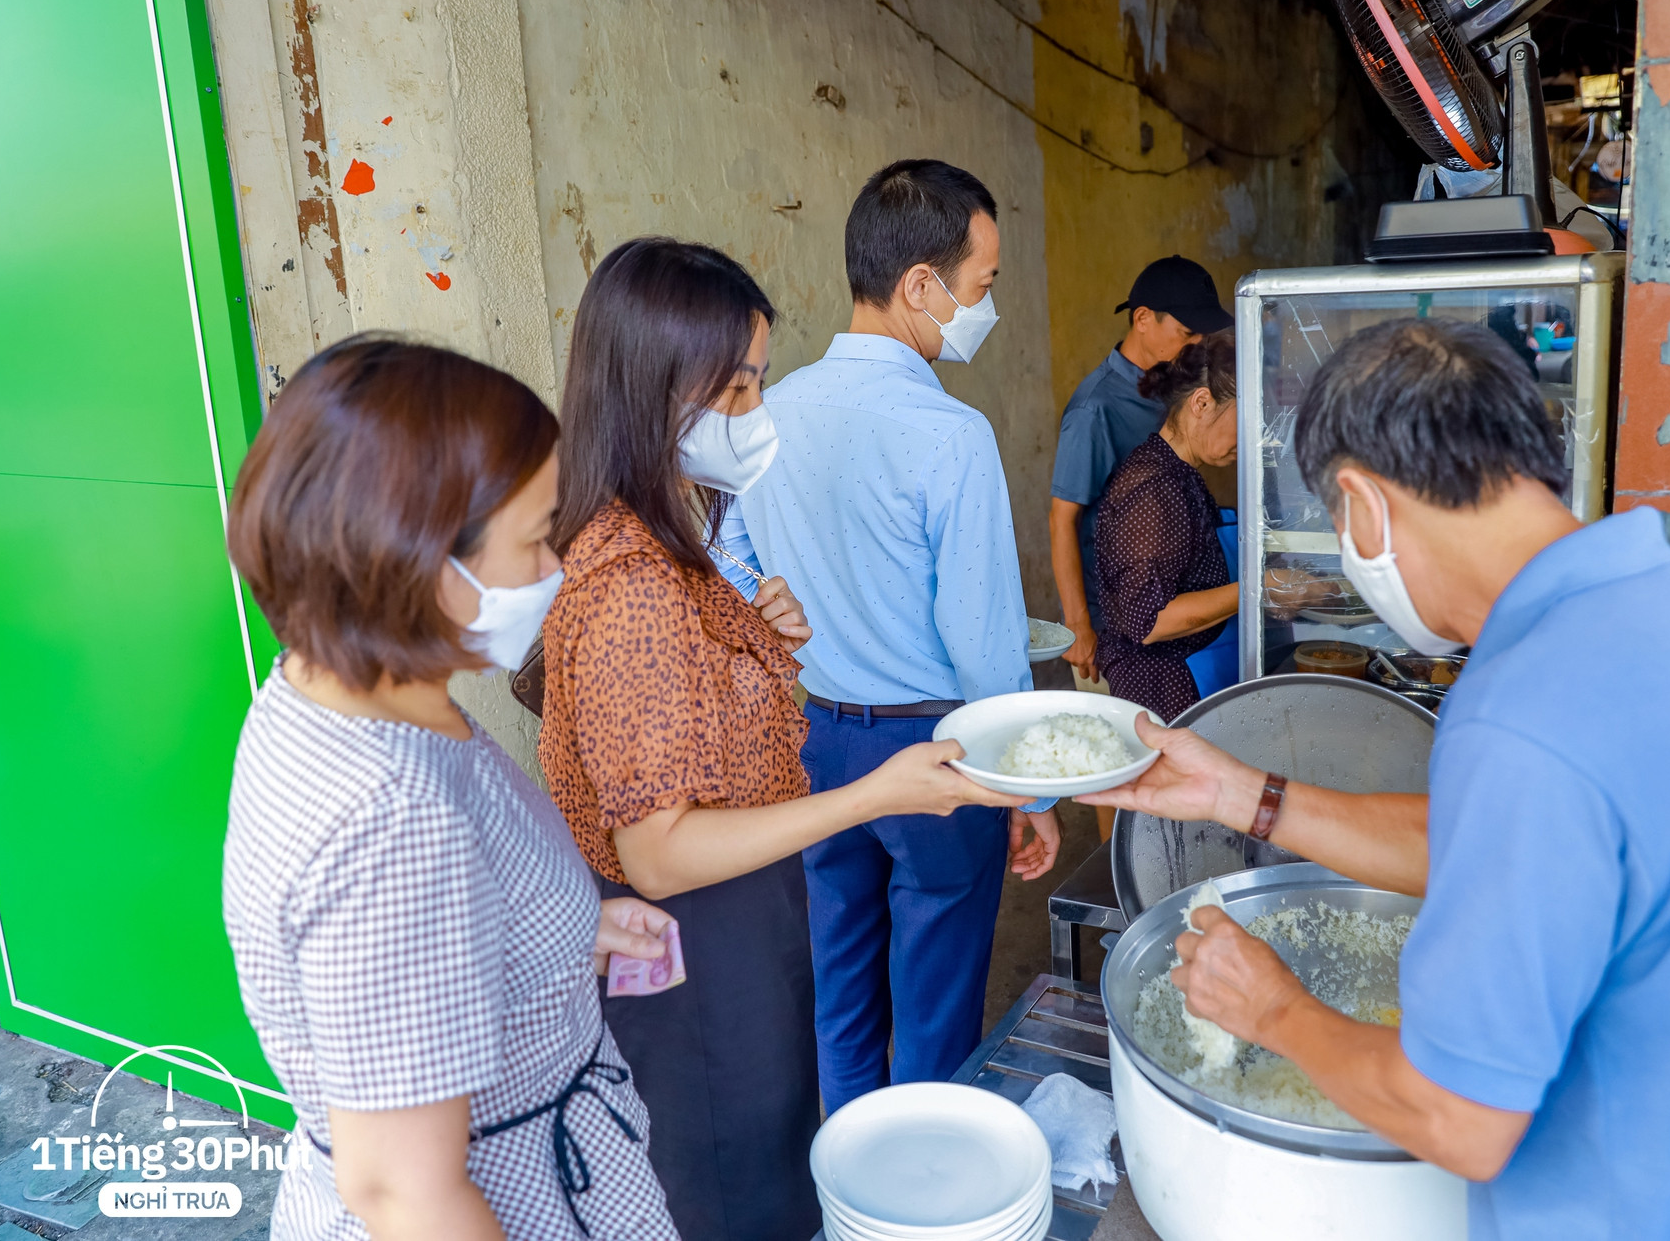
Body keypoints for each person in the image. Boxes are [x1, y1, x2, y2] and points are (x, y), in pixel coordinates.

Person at [1083, 317, 1670, 1239]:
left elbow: (1457, 1118)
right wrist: (1236, 792)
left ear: (1365, 503)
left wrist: (1273, 1007)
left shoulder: (1527, 707)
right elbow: (1504, 849)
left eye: (1337, 525)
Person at [536, 238, 1029, 1241]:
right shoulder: (633, 585)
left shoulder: (670, 548)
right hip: (693, 950)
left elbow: (680, 721)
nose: (759, 414)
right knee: (732, 1192)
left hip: (741, 917)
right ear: (655, 393)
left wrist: (755, 642)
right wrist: (874, 793)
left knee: (782, 1145)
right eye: (739, 388)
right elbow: (657, 850)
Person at [222, 337, 679, 1241]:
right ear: (429, 564)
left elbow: (392, 954)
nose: (559, 565)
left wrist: (559, 935)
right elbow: (405, 1193)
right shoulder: (388, 822)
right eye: (537, 536)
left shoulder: (327, 687)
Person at [723, 159, 1062, 1113]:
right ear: (923, 284)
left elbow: (735, 550)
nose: (986, 307)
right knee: (937, 1010)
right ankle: (922, 1194)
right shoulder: (950, 434)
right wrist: (1025, 790)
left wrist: (798, 609)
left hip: (818, 741)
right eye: (983, 285)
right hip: (937, 755)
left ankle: (850, 1197)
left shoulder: (770, 412)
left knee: (842, 999)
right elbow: (984, 641)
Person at [1050, 255, 1232, 689]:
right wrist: (1079, 628)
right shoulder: (1096, 409)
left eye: (1205, 334)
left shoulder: (1175, 382)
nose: (1198, 344)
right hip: (1116, 633)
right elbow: (1063, 519)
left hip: (1176, 630)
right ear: (1143, 319)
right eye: (1188, 333)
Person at [1090, 331, 1241, 723]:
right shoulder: (1153, 486)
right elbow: (1151, 619)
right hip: (1163, 693)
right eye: (1244, 419)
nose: (1249, 438)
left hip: (1186, 678)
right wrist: (1261, 590)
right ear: (1202, 402)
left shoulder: (1179, 473)